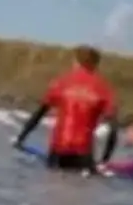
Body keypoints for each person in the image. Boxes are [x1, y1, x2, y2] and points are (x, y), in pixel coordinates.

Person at [14, 45, 116, 173]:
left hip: (58, 150)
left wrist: (21, 138)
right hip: (83, 153)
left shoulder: (61, 82)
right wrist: (104, 160)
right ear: (96, 64)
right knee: (80, 188)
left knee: (54, 187)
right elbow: (113, 129)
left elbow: (39, 113)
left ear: (76, 62)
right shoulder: (103, 88)